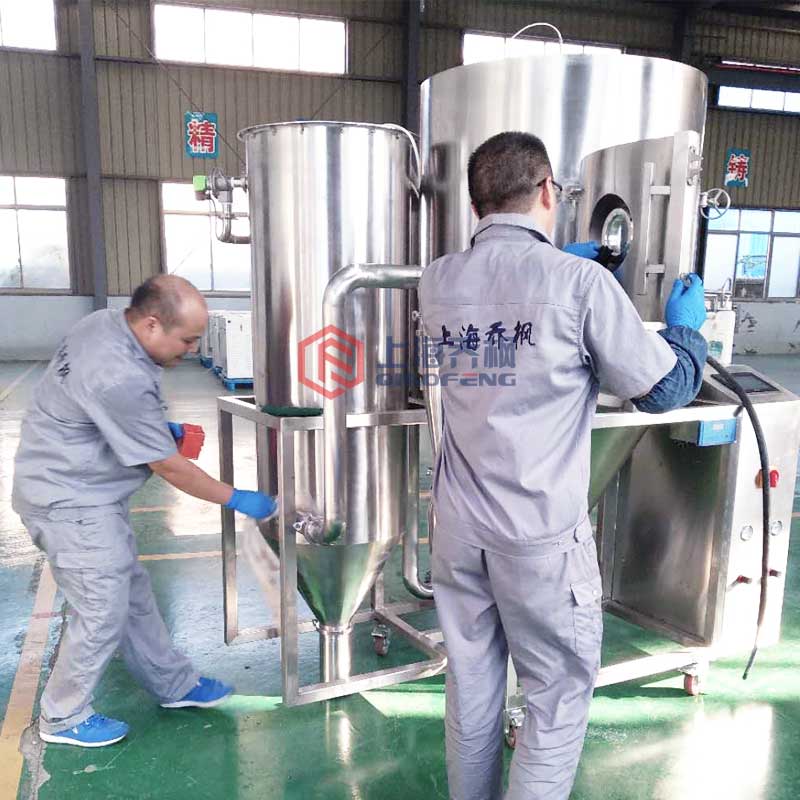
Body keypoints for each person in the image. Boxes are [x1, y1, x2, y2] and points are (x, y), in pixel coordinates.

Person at [418, 131, 707, 800]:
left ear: (475, 203)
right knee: (555, 696)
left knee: (472, 684)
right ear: (548, 190)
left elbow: (502, 323)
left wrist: (556, 275)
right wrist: (686, 333)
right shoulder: (580, 285)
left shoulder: (438, 280)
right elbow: (663, 389)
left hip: (458, 528)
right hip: (537, 534)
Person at [12, 275, 276, 748]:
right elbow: (171, 468)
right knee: (102, 608)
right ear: (152, 324)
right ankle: (62, 715)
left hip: (83, 487)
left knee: (130, 593)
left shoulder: (103, 324)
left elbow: (90, 404)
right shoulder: (121, 377)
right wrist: (238, 498)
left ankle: (174, 685)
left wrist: (152, 427)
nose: (192, 350)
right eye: (187, 340)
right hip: (68, 499)